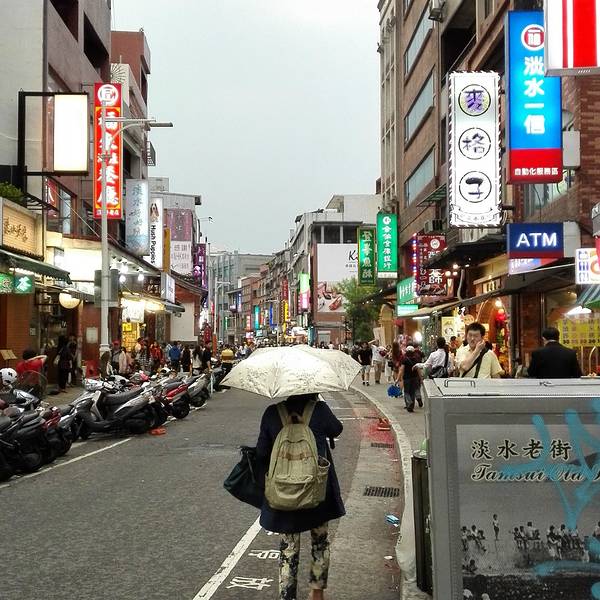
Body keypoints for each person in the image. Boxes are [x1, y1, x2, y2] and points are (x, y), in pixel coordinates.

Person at [256, 393, 344, 600]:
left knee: (288, 547)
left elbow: (261, 452)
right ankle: (317, 591)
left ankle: (287, 595)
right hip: (317, 492)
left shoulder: (272, 413)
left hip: (284, 493)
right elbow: (337, 429)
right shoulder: (320, 410)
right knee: (320, 542)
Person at [398, 346, 422, 412]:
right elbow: (418, 370)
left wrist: (398, 378)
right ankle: (412, 406)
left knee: (406, 392)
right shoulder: (416, 360)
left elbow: (401, 369)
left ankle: (409, 403)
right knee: (412, 392)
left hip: (407, 378)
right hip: (415, 378)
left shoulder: (405, 360)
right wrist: (421, 378)